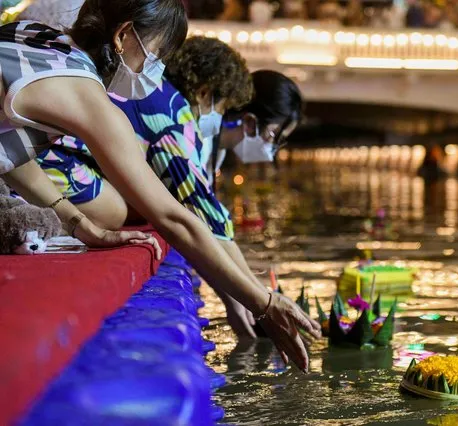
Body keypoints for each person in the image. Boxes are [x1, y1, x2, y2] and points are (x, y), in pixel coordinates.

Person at [0, 0, 320, 371]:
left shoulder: (40, 37)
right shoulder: (90, 97)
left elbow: (11, 159)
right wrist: (264, 302)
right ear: (123, 36)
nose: (158, 71)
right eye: (157, 55)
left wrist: (79, 225)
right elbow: (176, 218)